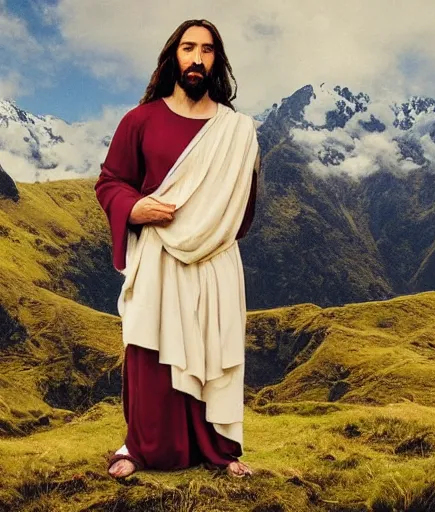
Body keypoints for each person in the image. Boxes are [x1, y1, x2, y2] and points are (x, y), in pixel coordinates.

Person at [94, 19, 260, 479]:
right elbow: (110, 183)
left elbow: (241, 208)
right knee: (150, 355)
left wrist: (207, 227)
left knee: (212, 352)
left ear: (216, 61)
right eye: (189, 48)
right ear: (174, 56)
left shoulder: (237, 131)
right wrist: (135, 208)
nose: (197, 58)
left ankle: (219, 451)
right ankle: (140, 448)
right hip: (158, 258)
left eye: (207, 50)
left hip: (214, 259)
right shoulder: (140, 120)